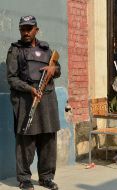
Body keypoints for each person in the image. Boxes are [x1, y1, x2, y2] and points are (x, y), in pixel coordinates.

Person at [6, 15, 60, 190]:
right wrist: (29, 89)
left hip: (47, 100)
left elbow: (57, 69)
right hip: (26, 100)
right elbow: (12, 79)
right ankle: (24, 178)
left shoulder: (46, 49)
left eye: (29, 28)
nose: (26, 32)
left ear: (36, 29)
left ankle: (46, 177)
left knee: (48, 140)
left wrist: (54, 68)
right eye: (23, 28)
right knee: (25, 142)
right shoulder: (15, 50)